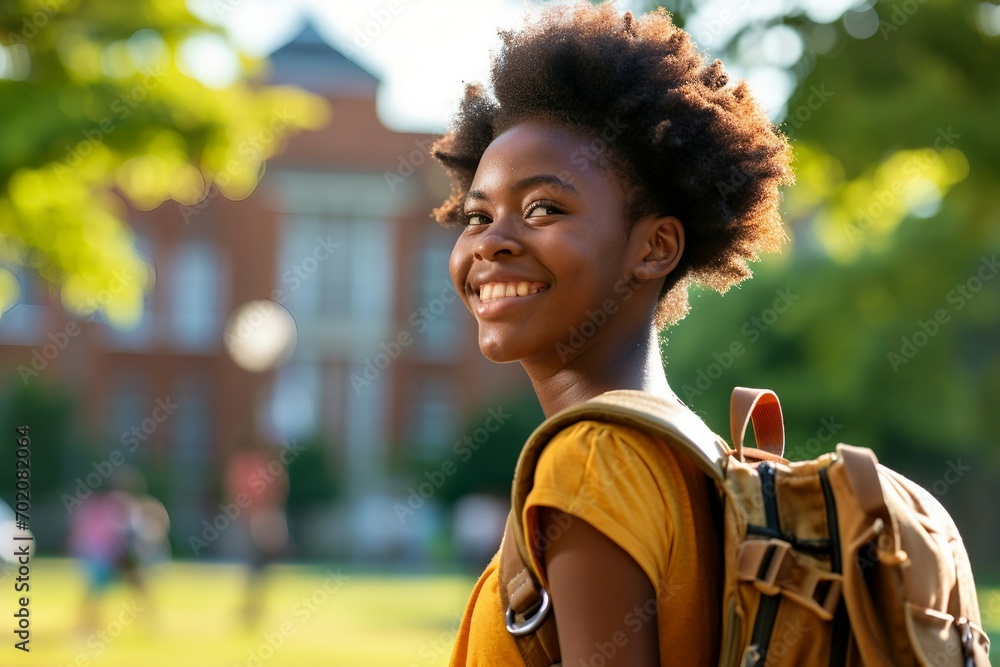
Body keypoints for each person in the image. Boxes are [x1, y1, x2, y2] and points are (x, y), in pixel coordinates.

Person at [430, 3, 793, 665]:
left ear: (654, 247)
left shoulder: (593, 460)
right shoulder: (699, 457)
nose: (492, 243)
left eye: (545, 207)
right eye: (477, 215)